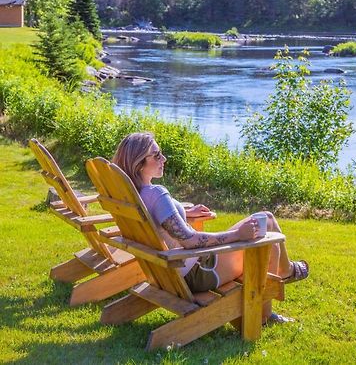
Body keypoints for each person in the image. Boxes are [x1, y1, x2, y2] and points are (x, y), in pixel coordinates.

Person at [112, 132, 308, 323]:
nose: (163, 158)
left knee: (267, 218)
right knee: (269, 240)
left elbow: (157, 218)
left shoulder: (134, 194)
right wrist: (237, 234)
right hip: (197, 272)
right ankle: (268, 306)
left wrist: (183, 214)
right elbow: (190, 241)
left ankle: (285, 271)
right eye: (156, 155)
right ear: (138, 163)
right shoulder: (156, 194)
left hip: (167, 273)